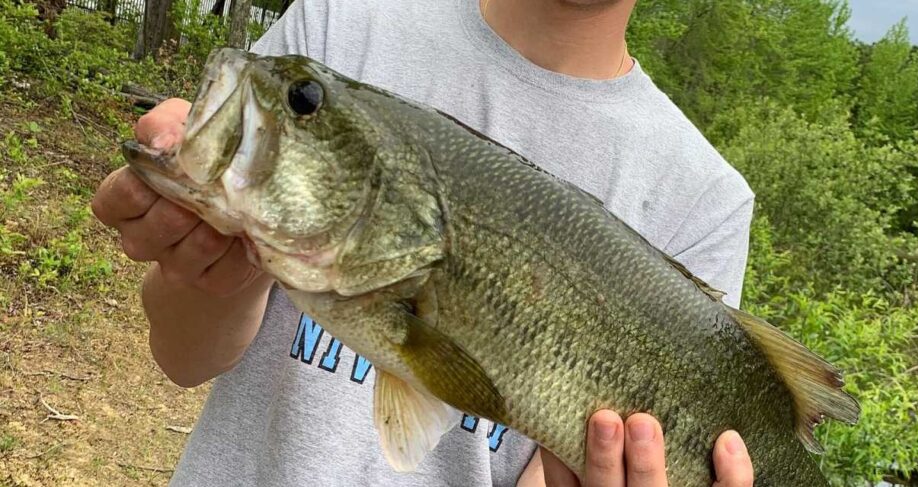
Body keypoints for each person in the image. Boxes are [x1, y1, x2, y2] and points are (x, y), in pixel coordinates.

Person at [91, 0, 757, 485]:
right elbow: (182, 355)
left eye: (302, 103)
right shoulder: (341, 20)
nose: (291, 104)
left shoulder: (704, 198)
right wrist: (214, 267)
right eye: (303, 102)